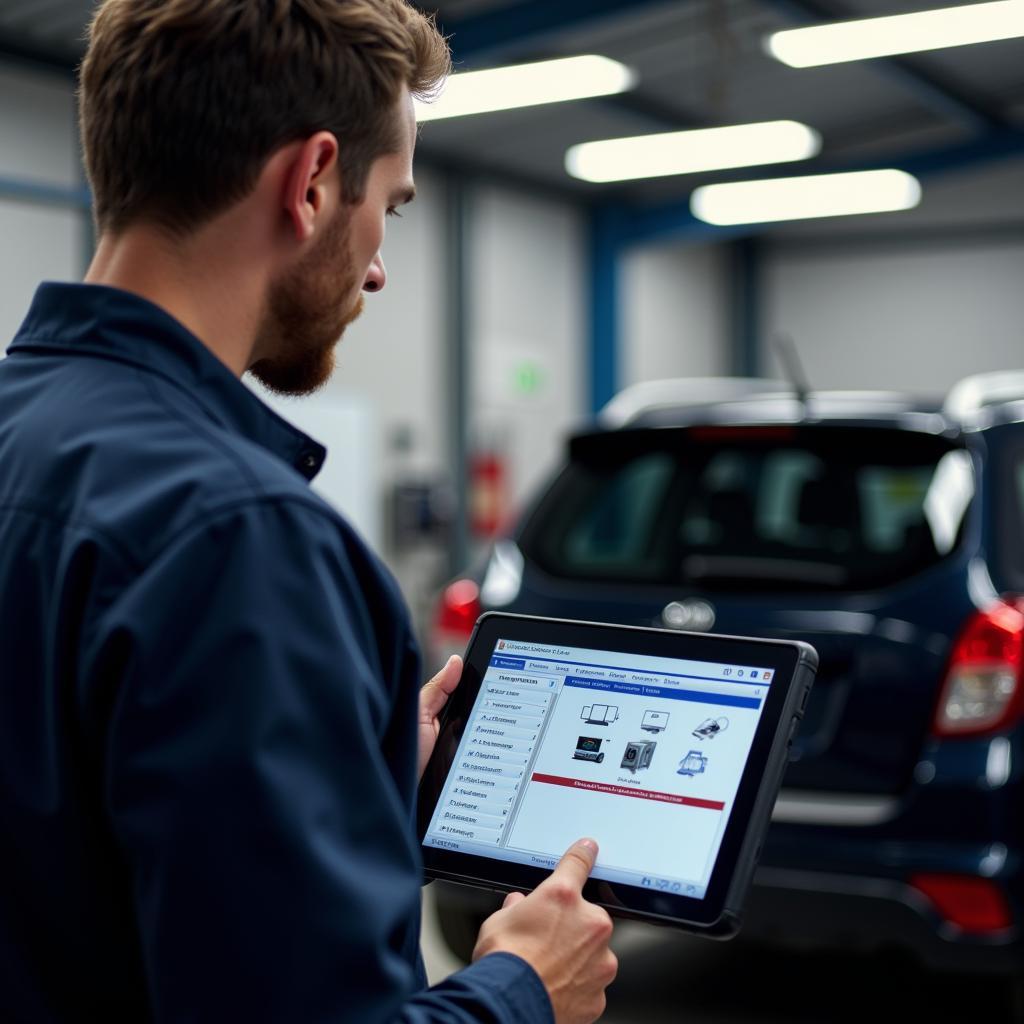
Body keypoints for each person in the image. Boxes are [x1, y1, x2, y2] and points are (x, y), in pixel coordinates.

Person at [0, 1, 617, 1021]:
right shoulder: (240, 534)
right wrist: (523, 988)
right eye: (392, 208)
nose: (376, 267)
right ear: (314, 180)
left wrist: (356, 774)